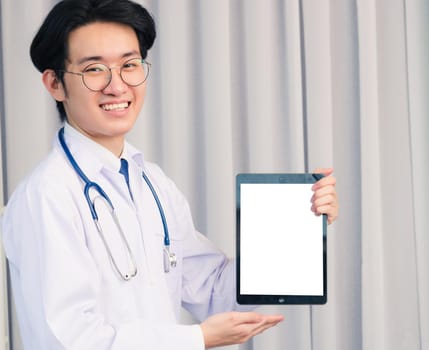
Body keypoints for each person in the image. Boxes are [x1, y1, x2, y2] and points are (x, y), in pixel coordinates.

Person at [1, 0, 339, 349]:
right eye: (94, 69)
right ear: (54, 83)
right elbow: (67, 340)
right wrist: (197, 338)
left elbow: (214, 292)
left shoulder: (152, 182)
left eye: (130, 65)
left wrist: (301, 227)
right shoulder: (45, 196)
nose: (117, 86)